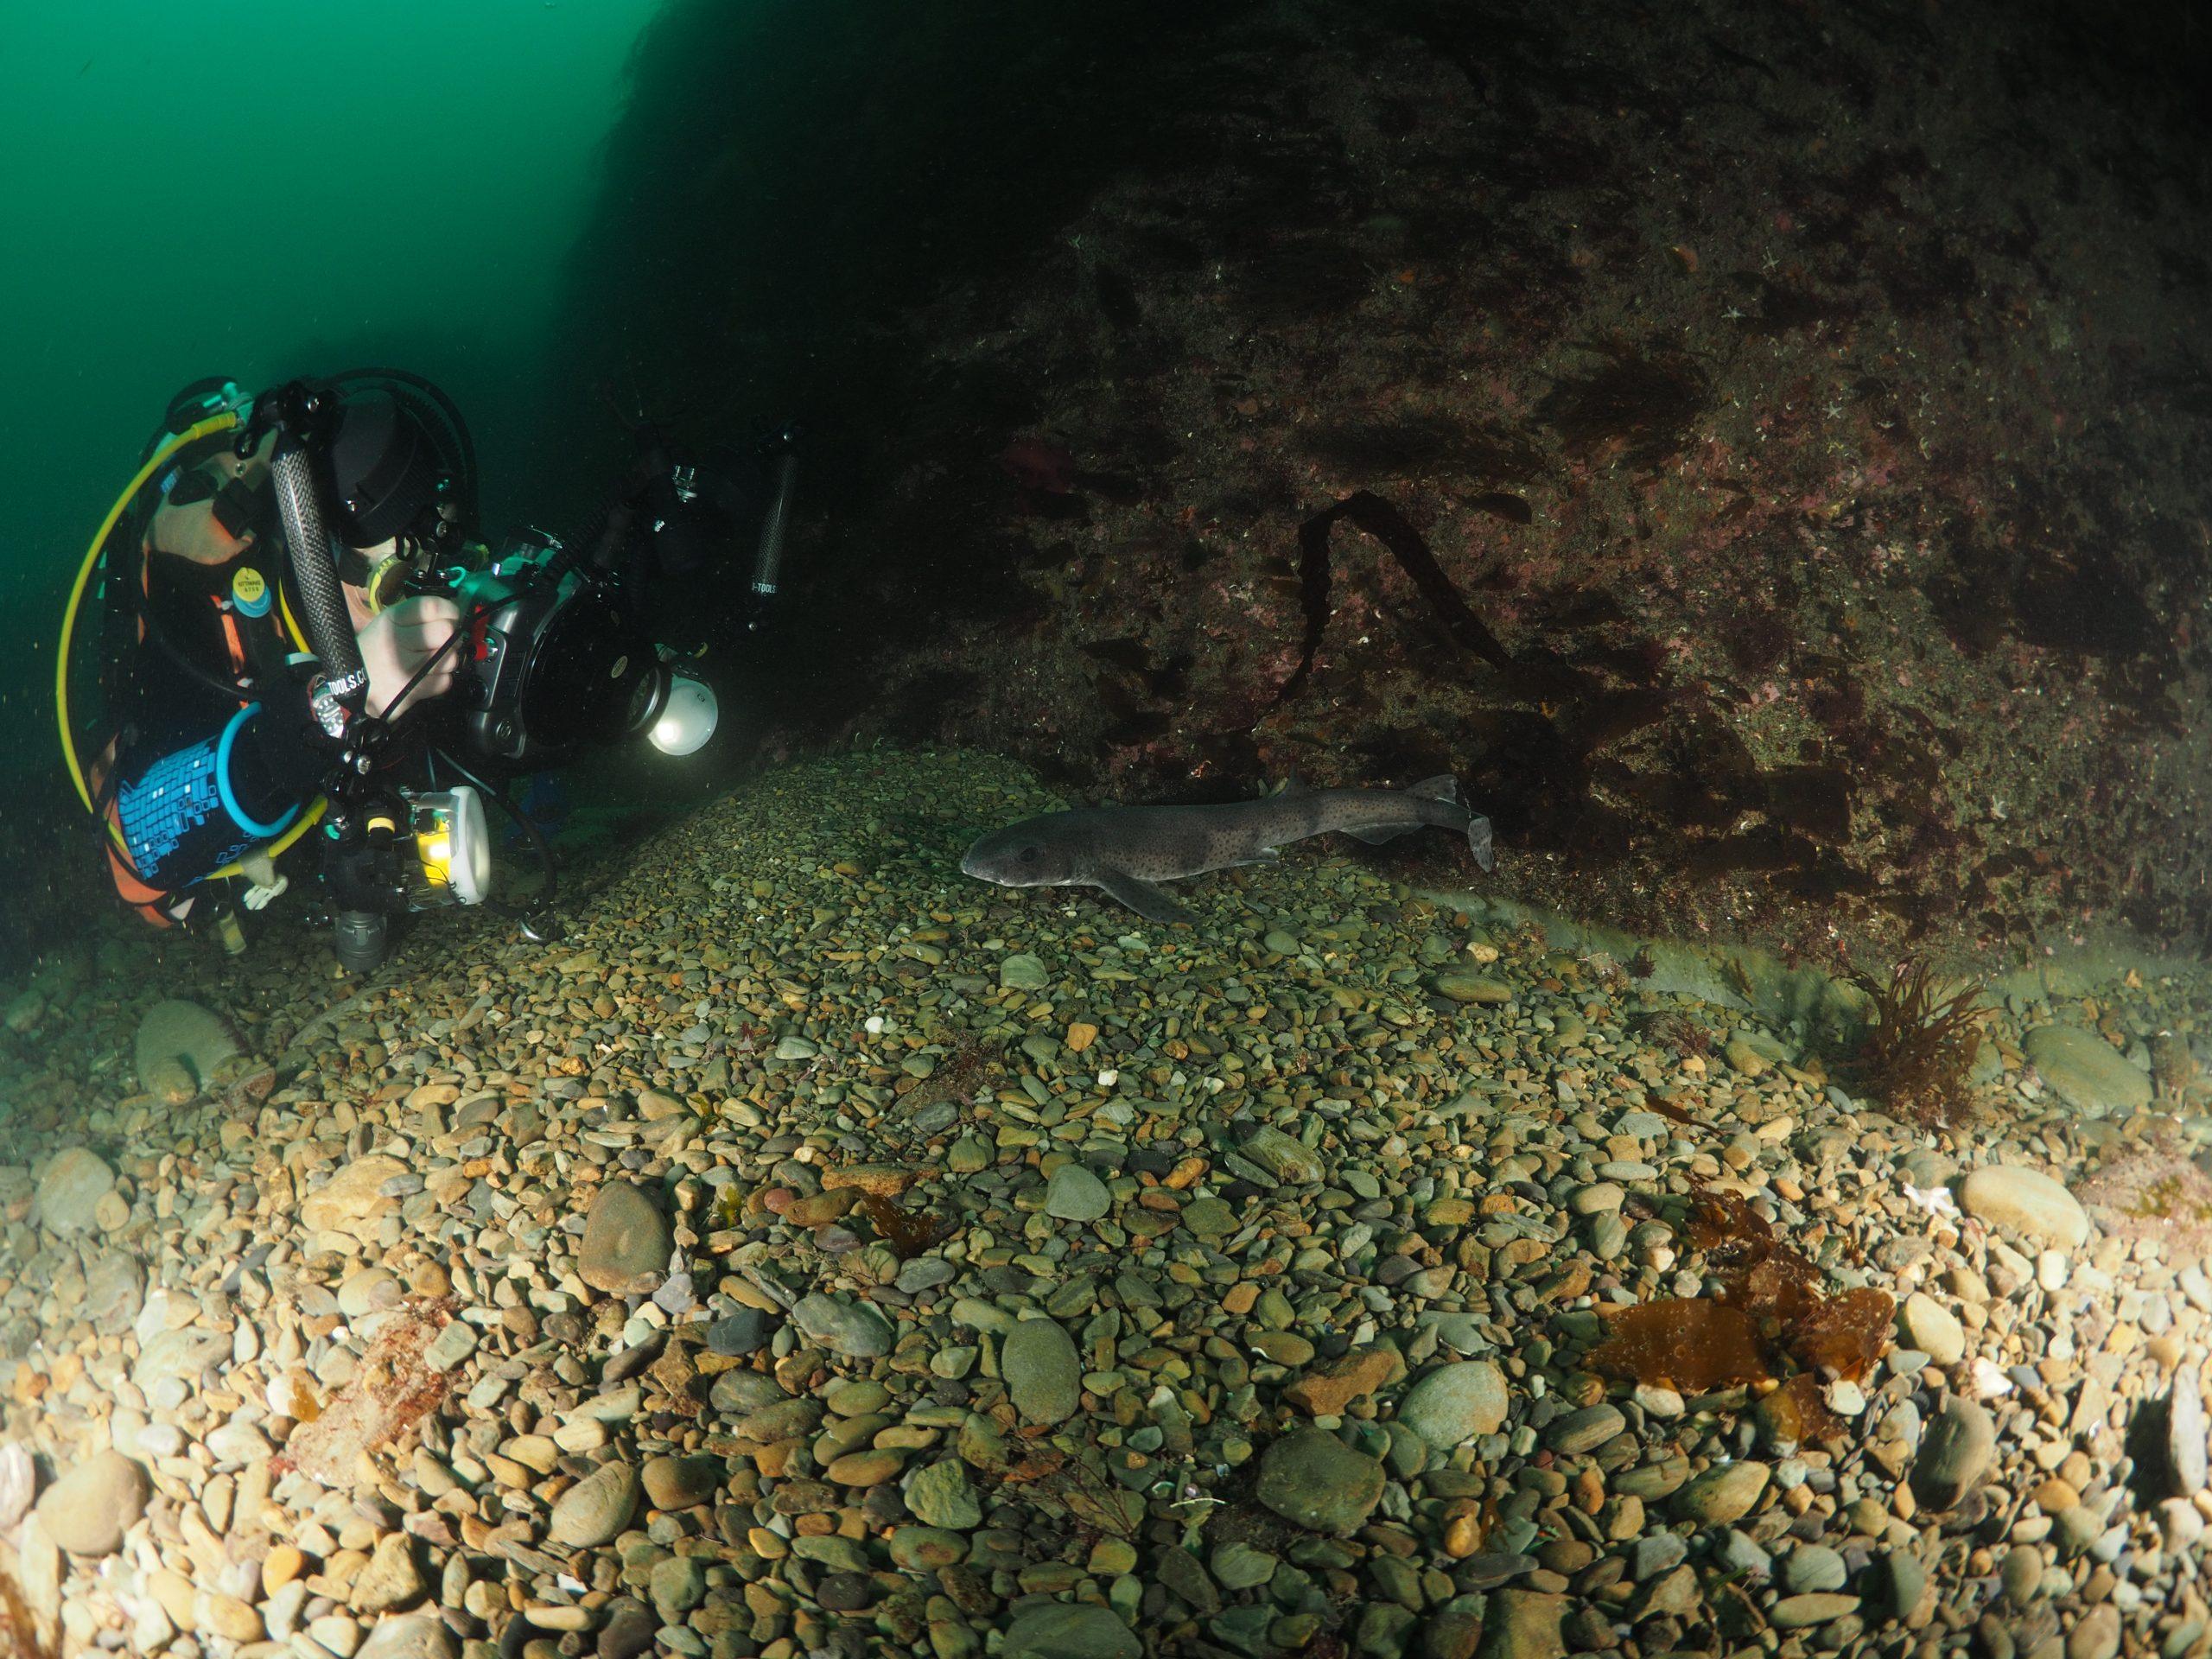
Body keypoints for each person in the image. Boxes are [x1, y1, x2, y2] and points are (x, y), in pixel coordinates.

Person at [92, 375, 470, 931]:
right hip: (246, 859)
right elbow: (132, 848)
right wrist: (335, 705)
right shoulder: (189, 603)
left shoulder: (317, 526)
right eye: (390, 583)